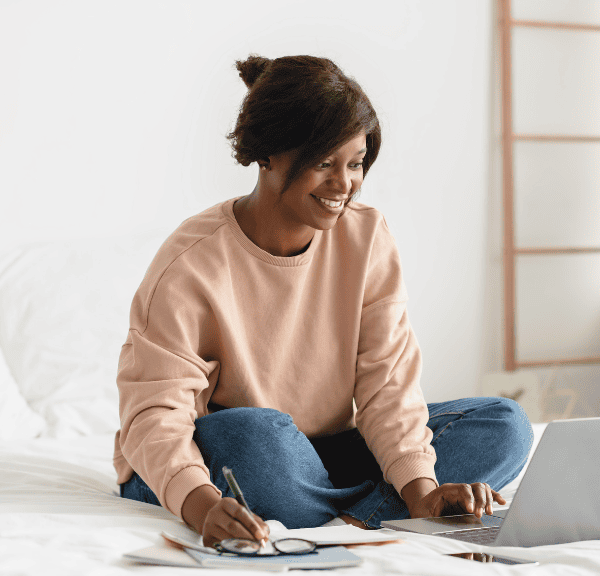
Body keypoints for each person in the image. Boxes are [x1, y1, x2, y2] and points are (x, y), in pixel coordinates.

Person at [114, 54, 533, 546]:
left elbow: (388, 384)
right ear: (266, 153)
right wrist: (203, 508)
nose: (344, 185)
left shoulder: (367, 236)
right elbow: (154, 416)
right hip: (215, 460)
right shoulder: (190, 264)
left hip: (323, 452)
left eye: (355, 163)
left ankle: (352, 514)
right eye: (324, 163)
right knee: (258, 437)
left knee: (505, 425)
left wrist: (422, 491)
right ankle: (360, 507)